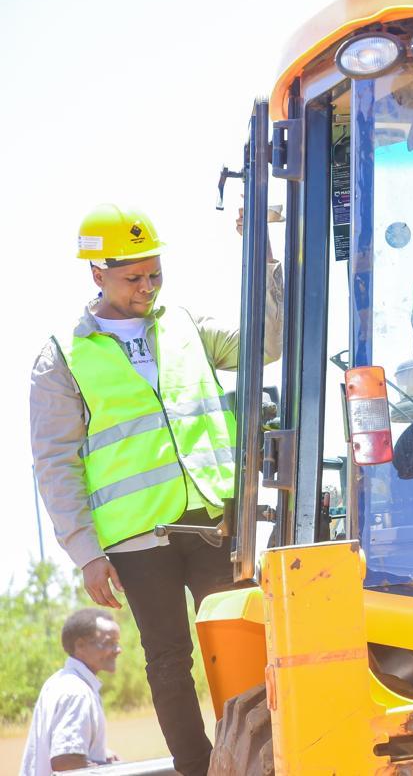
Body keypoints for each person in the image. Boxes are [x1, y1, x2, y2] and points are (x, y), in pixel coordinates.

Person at [29, 204, 282, 776]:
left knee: (240, 651)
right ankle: (198, 770)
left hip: (212, 524)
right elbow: (55, 463)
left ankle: (257, 762)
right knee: (169, 662)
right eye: (133, 278)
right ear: (97, 274)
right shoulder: (61, 358)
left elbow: (268, 344)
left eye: (155, 274)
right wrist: (86, 553)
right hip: (138, 540)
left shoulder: (185, 325)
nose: (148, 287)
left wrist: (263, 252)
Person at [21, 608, 121, 775]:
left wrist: (100, 755)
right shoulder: (76, 692)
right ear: (80, 645)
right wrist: (108, 770)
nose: (118, 650)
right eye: (109, 643)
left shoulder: (63, 681)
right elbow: (66, 761)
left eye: (117, 643)